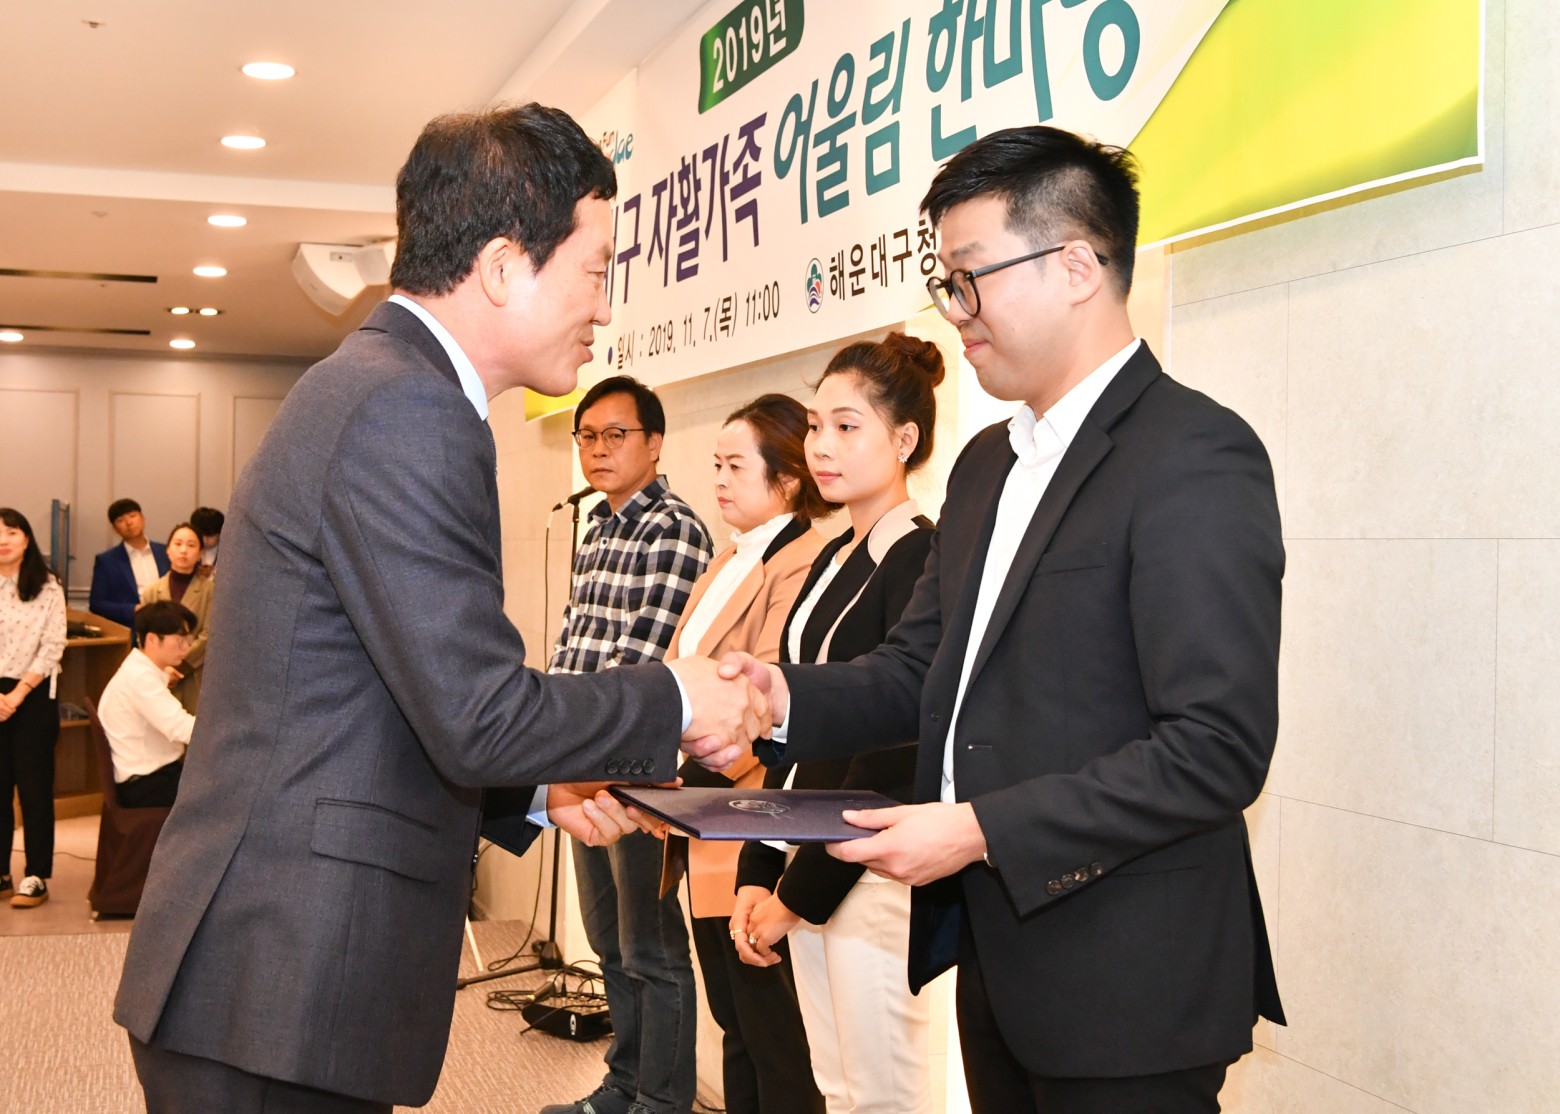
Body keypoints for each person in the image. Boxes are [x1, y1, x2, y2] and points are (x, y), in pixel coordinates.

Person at [113, 103, 765, 1114]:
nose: (604, 310)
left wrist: (537, 790)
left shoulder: (382, 386)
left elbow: (382, 698)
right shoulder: (408, 408)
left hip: (270, 973)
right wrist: (678, 696)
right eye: (595, 272)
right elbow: (476, 711)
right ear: (504, 267)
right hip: (276, 979)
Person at [697, 125, 1286, 1114]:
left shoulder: (1193, 454)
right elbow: (917, 669)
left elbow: (1216, 748)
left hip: (1133, 984)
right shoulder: (985, 467)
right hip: (999, 964)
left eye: (971, 277)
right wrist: (778, 696)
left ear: (1076, 267)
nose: (954, 310)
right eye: (946, 281)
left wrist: (977, 830)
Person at [730, 335, 942, 1114]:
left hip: (872, 870)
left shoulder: (923, 557)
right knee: (838, 1089)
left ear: (905, 439)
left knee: (884, 1096)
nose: (821, 446)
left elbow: (892, 750)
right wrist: (760, 869)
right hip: (809, 859)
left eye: (847, 427)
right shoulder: (832, 556)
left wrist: (797, 894)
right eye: (816, 426)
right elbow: (797, 732)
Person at [542, 375, 713, 1114]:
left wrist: (575, 747)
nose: (599, 449)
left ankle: (662, 1101)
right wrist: (546, 741)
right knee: (609, 940)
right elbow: (573, 645)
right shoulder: (598, 529)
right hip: (579, 764)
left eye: (616, 435)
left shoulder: (673, 529)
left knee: (652, 947)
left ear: (655, 443)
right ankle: (624, 1084)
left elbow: (640, 666)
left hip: (639, 773)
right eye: (587, 436)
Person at [664, 394, 830, 1114]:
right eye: (716, 465)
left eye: (736, 466)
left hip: (748, 816)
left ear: (787, 480)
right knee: (735, 1021)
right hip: (701, 812)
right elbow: (679, 676)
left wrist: (675, 778)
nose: (720, 480)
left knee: (773, 1034)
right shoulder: (729, 556)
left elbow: (762, 706)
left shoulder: (804, 561)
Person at [0, 507, 67, 910]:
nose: (3, 540)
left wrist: (17, 694)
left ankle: (36, 874)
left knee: (34, 789)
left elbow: (53, 645)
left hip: (35, 693)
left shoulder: (48, 587)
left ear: (26, 538)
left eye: (11, 532)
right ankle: (1, 873)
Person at [99, 600, 199, 808]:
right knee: (225, 790)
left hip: (152, 776)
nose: (186, 647)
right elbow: (181, 728)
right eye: (179, 640)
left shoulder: (142, 669)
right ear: (152, 639)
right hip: (147, 784)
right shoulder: (141, 679)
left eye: (188, 640)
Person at [139, 523, 213, 712]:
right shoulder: (152, 591)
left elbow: (209, 635)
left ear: (200, 553)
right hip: (158, 674)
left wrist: (179, 667)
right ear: (168, 550)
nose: (183, 550)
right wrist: (163, 668)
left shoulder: (210, 590)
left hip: (194, 673)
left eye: (191, 545)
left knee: (191, 725)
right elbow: (144, 636)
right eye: (178, 544)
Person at [90, 498, 170, 629]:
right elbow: (97, 604)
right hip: (132, 627)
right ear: (115, 529)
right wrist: (133, 609)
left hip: (168, 623)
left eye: (132, 516)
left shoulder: (166, 552)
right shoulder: (107, 561)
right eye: (120, 520)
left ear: (142, 518)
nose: (129, 523)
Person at [189, 507, 225, 575]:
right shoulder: (187, 550)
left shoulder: (228, 553)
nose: (204, 540)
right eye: (201, 535)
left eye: (209, 536)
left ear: (220, 533)